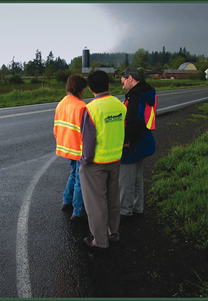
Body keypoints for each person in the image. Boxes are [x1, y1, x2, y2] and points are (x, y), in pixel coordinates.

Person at [79, 70, 127, 252]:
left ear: (90, 89)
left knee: (96, 204)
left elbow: (89, 140)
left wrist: (85, 161)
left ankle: (100, 241)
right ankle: (113, 233)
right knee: (113, 199)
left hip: (96, 163)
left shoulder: (91, 109)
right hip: (115, 158)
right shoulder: (119, 105)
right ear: (108, 85)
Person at [119, 68, 156, 221]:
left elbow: (134, 121)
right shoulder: (147, 92)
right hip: (144, 139)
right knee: (137, 179)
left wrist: (126, 139)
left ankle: (125, 213)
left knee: (126, 180)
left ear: (130, 78)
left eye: (123, 83)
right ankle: (137, 208)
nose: (123, 87)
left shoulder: (135, 95)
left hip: (134, 142)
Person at [54, 75, 88, 222]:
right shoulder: (81, 106)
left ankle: (67, 201)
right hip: (78, 149)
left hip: (66, 147)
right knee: (80, 179)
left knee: (73, 174)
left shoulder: (60, 104)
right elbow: (86, 132)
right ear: (80, 89)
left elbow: (56, 129)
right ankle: (78, 211)